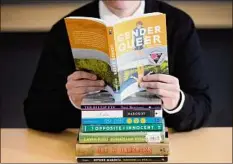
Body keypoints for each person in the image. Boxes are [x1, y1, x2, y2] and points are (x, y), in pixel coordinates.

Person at [24, 0, 211, 133]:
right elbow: (34, 113)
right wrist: (72, 102)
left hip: (156, 143)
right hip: (90, 146)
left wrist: (176, 102)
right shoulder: (65, 30)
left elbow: (203, 106)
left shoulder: (179, 24)